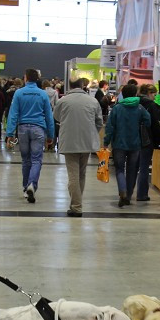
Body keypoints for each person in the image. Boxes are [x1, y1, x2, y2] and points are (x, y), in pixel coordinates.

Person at [53, 77, 103, 217]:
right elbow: (99, 121)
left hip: (69, 142)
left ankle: (76, 206)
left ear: (69, 86)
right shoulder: (93, 101)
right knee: (82, 174)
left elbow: (56, 117)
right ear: (82, 85)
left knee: (73, 175)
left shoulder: (63, 101)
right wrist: (92, 133)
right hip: (86, 143)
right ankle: (77, 203)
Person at [5, 68, 55, 203]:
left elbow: (13, 114)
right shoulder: (43, 94)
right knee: (36, 159)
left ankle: (25, 187)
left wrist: (9, 133)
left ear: (26, 78)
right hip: (38, 129)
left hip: (22, 129)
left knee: (26, 160)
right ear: (37, 79)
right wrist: (51, 135)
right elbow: (49, 116)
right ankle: (32, 184)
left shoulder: (19, 93)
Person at [103, 83, 151, 208]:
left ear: (123, 94)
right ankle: (128, 196)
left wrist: (106, 142)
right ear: (135, 94)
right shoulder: (140, 108)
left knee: (119, 169)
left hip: (119, 143)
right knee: (132, 170)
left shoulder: (117, 108)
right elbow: (148, 120)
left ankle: (122, 191)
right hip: (135, 144)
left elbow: (110, 127)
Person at [137, 83, 160, 202]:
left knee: (132, 168)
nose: (155, 96)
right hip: (147, 140)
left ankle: (127, 193)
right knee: (144, 167)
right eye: (154, 94)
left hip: (132, 139)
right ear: (149, 93)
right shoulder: (151, 105)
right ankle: (142, 194)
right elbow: (156, 125)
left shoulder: (134, 103)